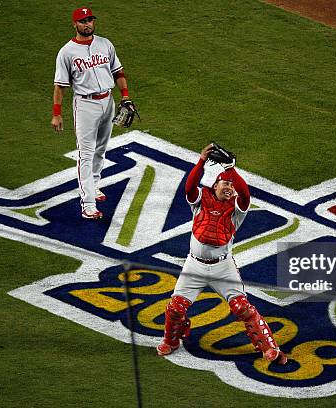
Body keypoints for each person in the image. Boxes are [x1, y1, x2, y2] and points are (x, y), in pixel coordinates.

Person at [156, 144, 287, 365]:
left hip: (222, 266)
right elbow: (189, 187)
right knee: (175, 307)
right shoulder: (199, 202)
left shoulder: (237, 211)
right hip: (194, 266)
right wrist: (200, 161)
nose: (230, 187)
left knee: (241, 308)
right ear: (214, 184)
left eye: (231, 186)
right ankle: (171, 340)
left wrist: (230, 169)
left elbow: (245, 193)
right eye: (225, 183)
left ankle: (269, 348)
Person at [51, 7, 134, 219]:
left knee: (101, 149)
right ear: (75, 24)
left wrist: (125, 96)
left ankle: (94, 186)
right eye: (83, 21)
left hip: (108, 100)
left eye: (90, 20)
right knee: (85, 155)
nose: (87, 24)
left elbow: (118, 72)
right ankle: (87, 204)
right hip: (85, 105)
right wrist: (57, 113)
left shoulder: (105, 44)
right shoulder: (67, 52)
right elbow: (60, 86)